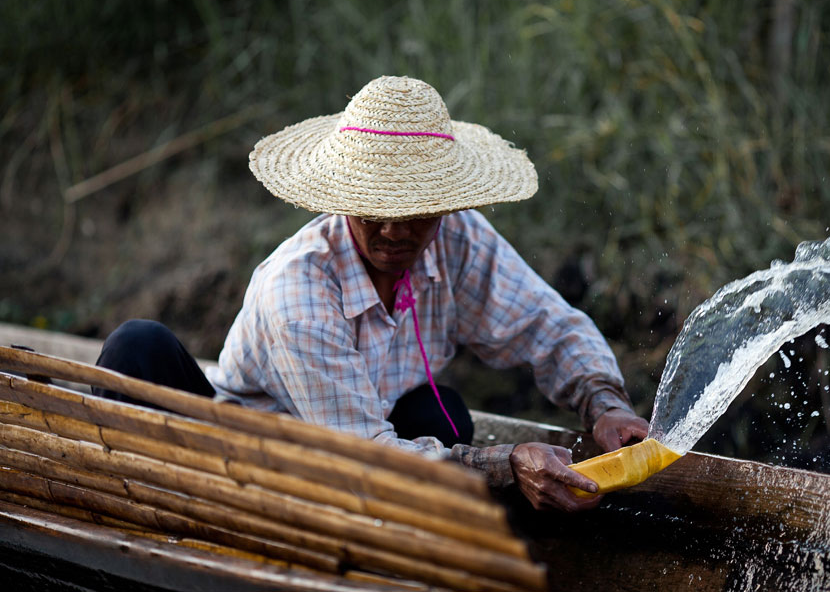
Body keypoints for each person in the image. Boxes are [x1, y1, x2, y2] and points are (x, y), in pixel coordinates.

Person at [97, 76, 648, 512]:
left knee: (444, 415)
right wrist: (505, 463)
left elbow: (545, 325)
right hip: (256, 461)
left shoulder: (457, 238)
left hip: (367, 445)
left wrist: (603, 404)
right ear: (342, 198)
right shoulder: (300, 288)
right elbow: (360, 452)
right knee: (137, 346)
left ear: (444, 205)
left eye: (415, 213)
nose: (393, 231)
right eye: (374, 210)